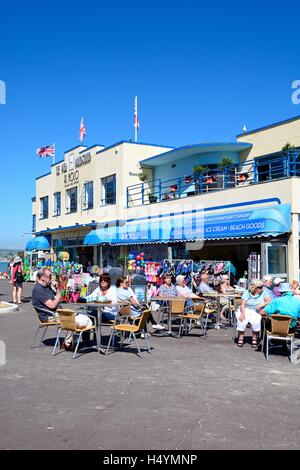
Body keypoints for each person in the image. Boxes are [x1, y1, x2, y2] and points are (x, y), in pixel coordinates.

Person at [32, 267, 92, 350]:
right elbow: (53, 305)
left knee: (84, 315)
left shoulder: (46, 287)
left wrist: (57, 289)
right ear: (42, 277)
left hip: (58, 313)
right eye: (50, 276)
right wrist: (58, 296)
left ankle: (78, 341)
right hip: (49, 316)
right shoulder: (38, 290)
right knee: (75, 320)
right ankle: (68, 343)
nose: (51, 278)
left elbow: (58, 296)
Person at [236, 279, 272, 348]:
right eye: (260, 287)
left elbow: (270, 301)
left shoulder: (264, 293)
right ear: (254, 287)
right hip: (246, 309)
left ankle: (254, 338)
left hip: (257, 310)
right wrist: (243, 314)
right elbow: (243, 304)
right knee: (242, 320)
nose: (262, 288)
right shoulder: (247, 292)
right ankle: (241, 337)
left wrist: (263, 304)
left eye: (262, 287)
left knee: (255, 321)